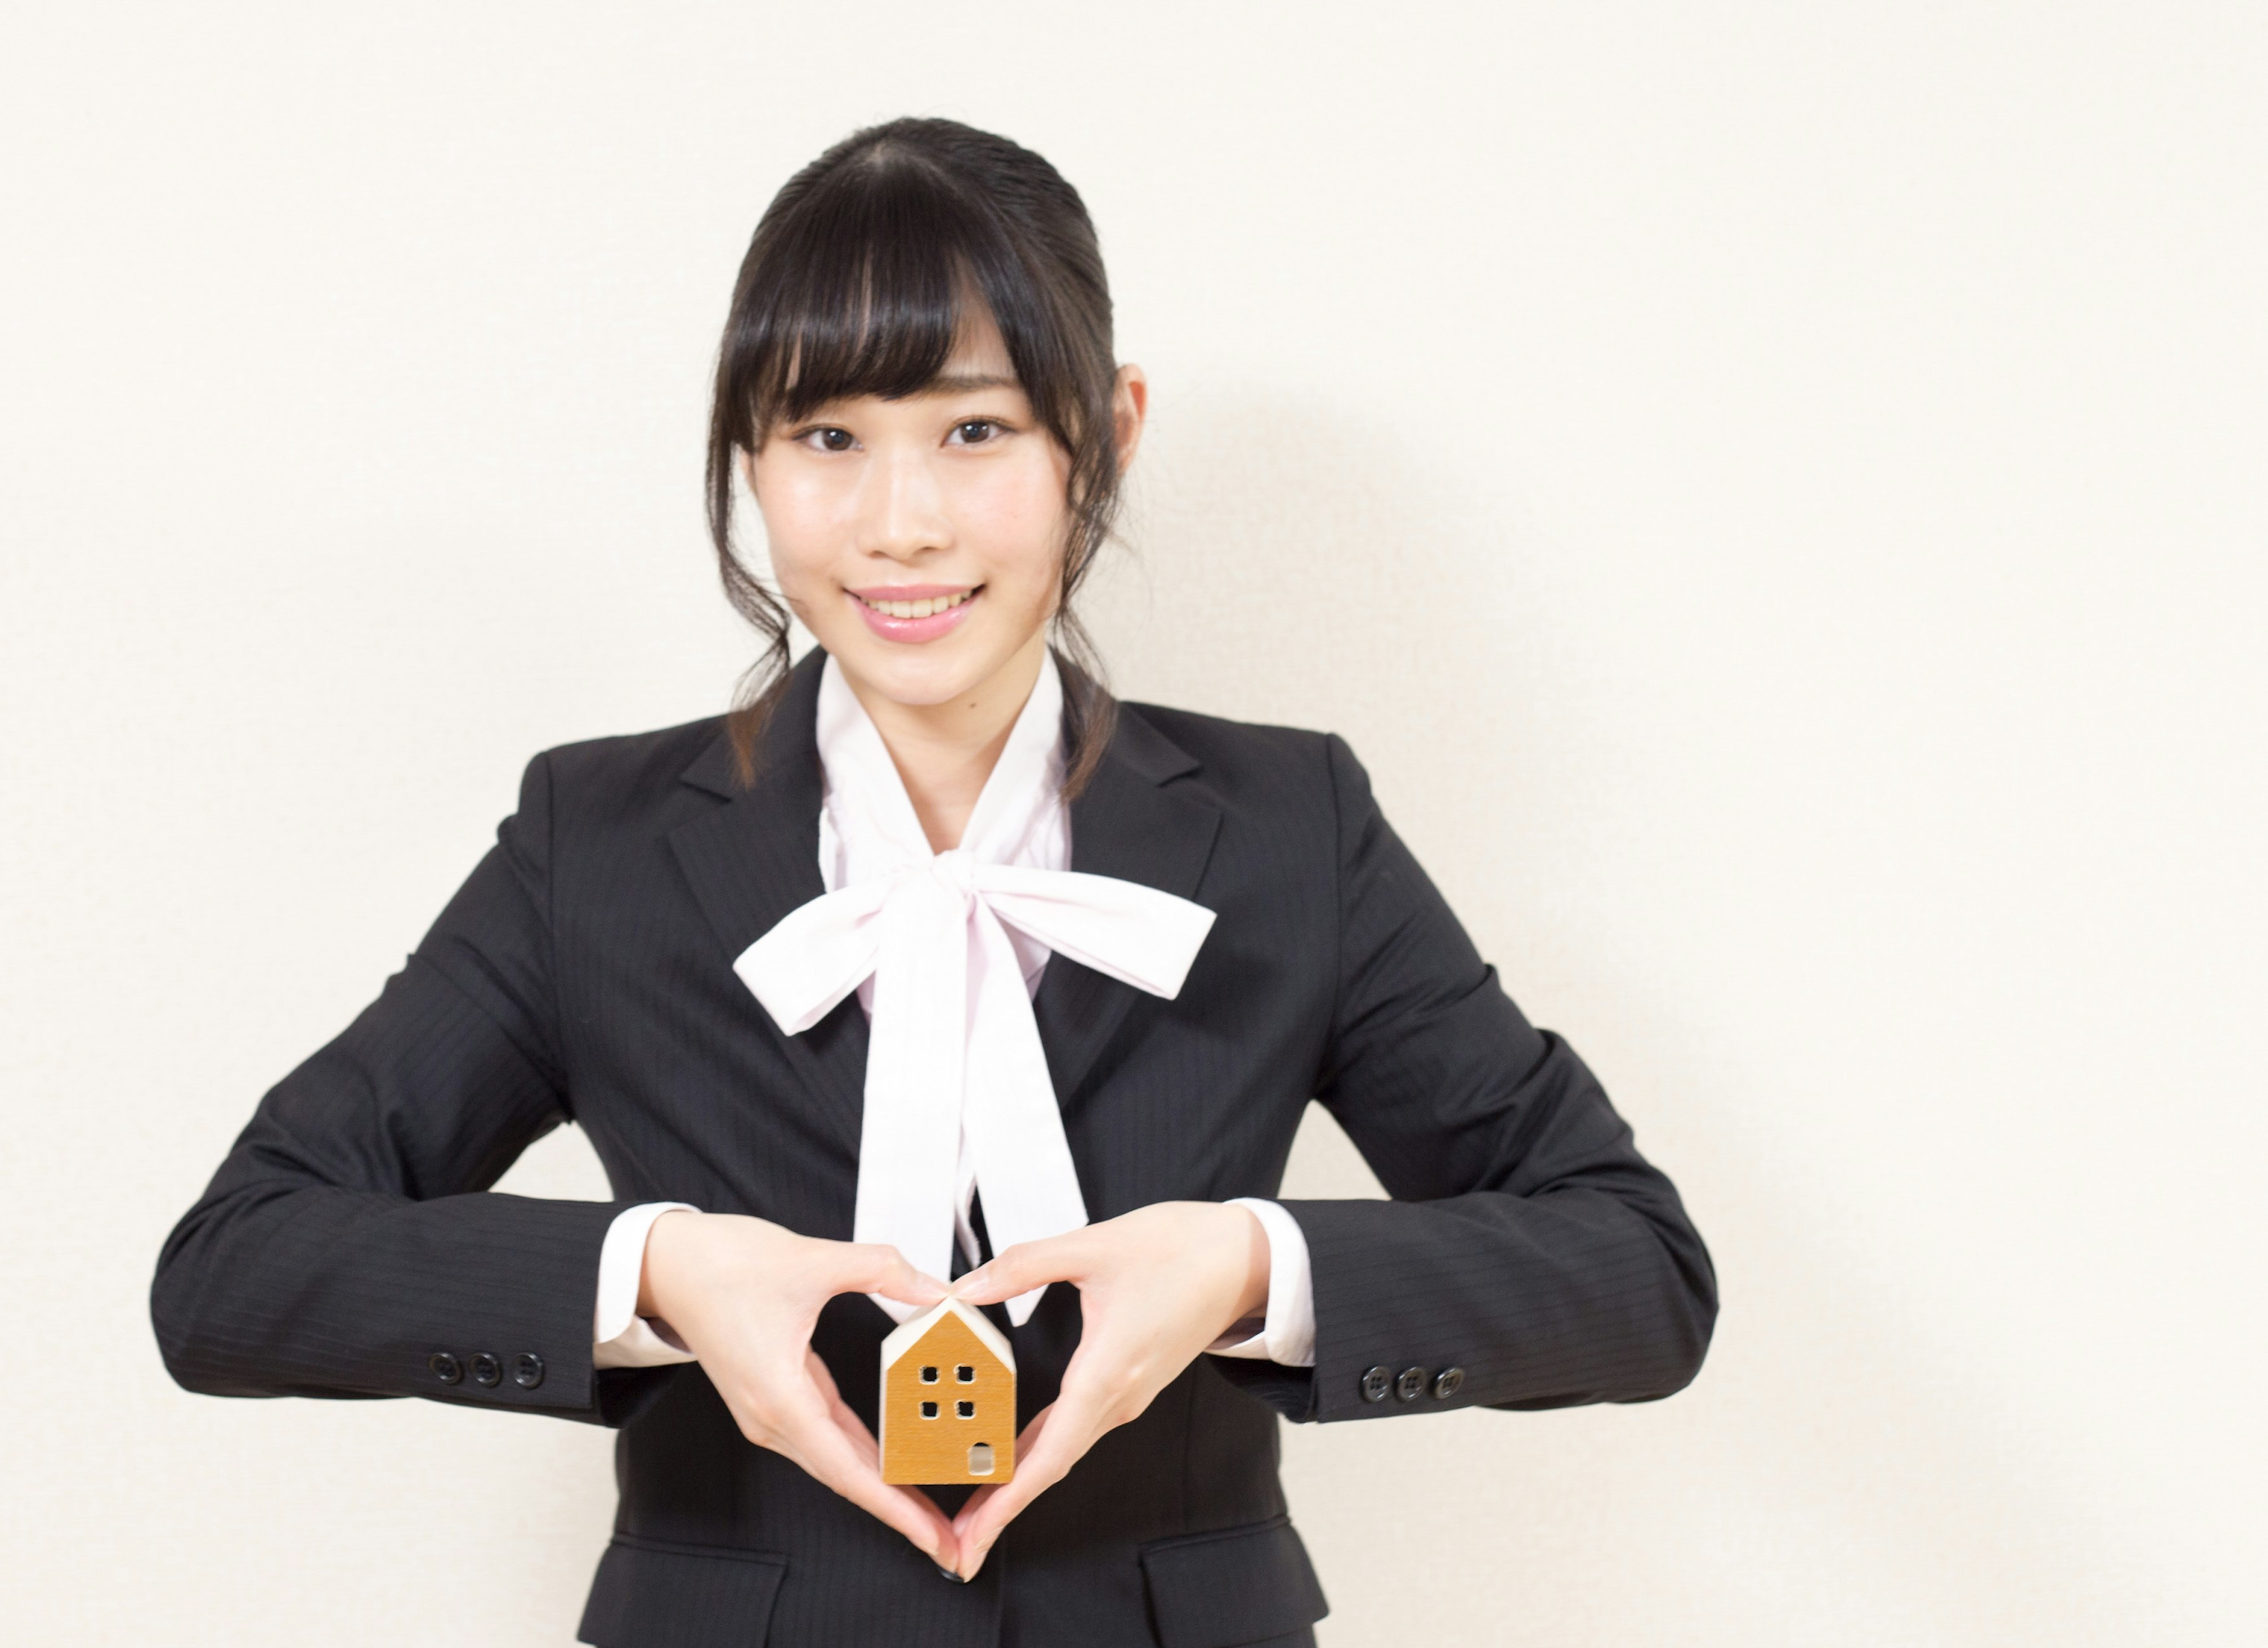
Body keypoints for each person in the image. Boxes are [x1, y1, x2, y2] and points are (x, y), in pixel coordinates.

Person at [151, 117, 1717, 1648]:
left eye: (975, 431)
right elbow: (236, 1266)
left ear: (1103, 432)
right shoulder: (600, 840)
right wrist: (658, 1269)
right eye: (825, 436)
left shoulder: (1287, 822)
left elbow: (1638, 1269)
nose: (901, 525)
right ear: (748, 454)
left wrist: (1248, 1259)